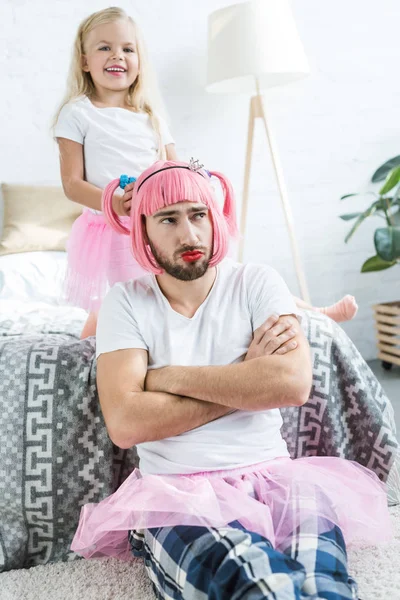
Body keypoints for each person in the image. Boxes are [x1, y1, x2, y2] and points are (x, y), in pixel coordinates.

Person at [71, 160, 391, 600]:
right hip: (175, 495)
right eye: (168, 219)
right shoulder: (124, 303)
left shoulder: (257, 281)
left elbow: (293, 385)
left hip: (278, 479)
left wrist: (167, 378)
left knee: (325, 585)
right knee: (257, 583)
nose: (189, 234)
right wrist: (246, 381)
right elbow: (126, 423)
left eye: (198, 214)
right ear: (143, 230)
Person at [53, 7, 177, 339]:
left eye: (127, 48)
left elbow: (174, 173)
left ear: (140, 60)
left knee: (204, 276)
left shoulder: (151, 118)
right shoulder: (78, 114)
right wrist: (116, 201)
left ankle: (310, 311)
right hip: (113, 227)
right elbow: (71, 183)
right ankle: (94, 354)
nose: (117, 56)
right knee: (126, 297)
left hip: (155, 223)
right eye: (104, 47)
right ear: (84, 61)